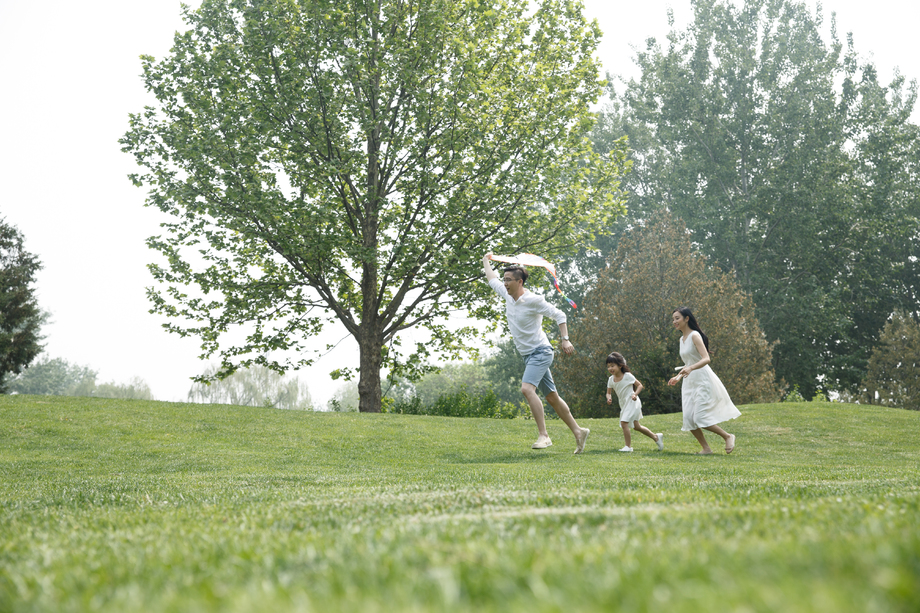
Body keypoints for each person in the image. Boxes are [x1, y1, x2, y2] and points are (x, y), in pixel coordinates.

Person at [483, 253, 590, 453]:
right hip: (528, 355)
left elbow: (560, 314)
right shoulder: (507, 295)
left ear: (519, 282)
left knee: (526, 389)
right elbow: (491, 279)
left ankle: (544, 436)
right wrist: (486, 260)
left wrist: (565, 339)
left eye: (508, 280)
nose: (504, 283)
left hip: (541, 352)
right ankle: (578, 431)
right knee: (552, 397)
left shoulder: (533, 300)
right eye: (504, 279)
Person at [668, 306, 740, 454]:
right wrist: (677, 377)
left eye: (677, 318)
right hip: (689, 382)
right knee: (689, 418)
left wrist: (691, 368)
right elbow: (688, 363)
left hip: (702, 379)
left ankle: (727, 436)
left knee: (700, 417)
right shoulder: (681, 339)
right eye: (673, 319)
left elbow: (706, 358)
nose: (674, 321)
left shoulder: (695, 335)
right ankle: (706, 449)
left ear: (686, 319)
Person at [605, 352, 663, 452]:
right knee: (637, 427)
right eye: (608, 366)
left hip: (632, 402)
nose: (610, 368)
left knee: (624, 423)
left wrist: (635, 394)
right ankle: (656, 437)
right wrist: (608, 398)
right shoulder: (611, 379)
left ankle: (628, 447)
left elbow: (640, 385)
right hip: (624, 404)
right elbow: (608, 393)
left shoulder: (627, 376)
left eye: (612, 366)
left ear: (620, 365)